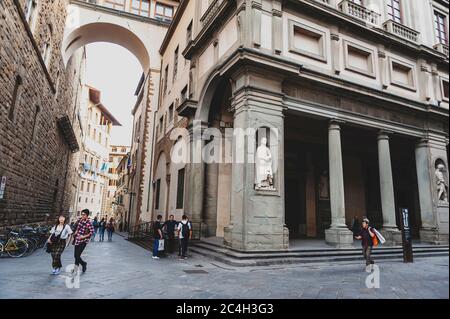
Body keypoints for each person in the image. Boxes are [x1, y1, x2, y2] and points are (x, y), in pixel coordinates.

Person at [73, 209, 95, 273]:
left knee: (77, 255)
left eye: (84, 214)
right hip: (77, 239)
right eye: (82, 214)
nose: (82, 215)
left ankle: (83, 264)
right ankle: (76, 268)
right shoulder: (80, 221)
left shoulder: (89, 223)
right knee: (76, 256)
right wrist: (76, 232)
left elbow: (91, 232)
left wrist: (84, 236)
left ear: (87, 215)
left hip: (84, 241)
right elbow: (77, 228)